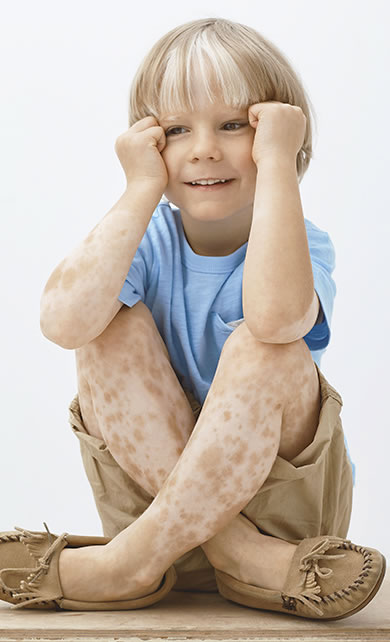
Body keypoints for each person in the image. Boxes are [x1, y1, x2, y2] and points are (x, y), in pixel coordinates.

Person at [0, 17, 385, 619]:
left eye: (235, 125)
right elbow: (63, 324)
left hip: (289, 538)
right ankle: (231, 552)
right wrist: (139, 190)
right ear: (148, 144)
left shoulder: (303, 245)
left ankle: (124, 567)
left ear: (278, 137)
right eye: (177, 130)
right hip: (155, 515)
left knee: (268, 346)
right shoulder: (146, 241)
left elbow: (279, 320)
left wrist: (280, 165)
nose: (204, 146)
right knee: (107, 326)